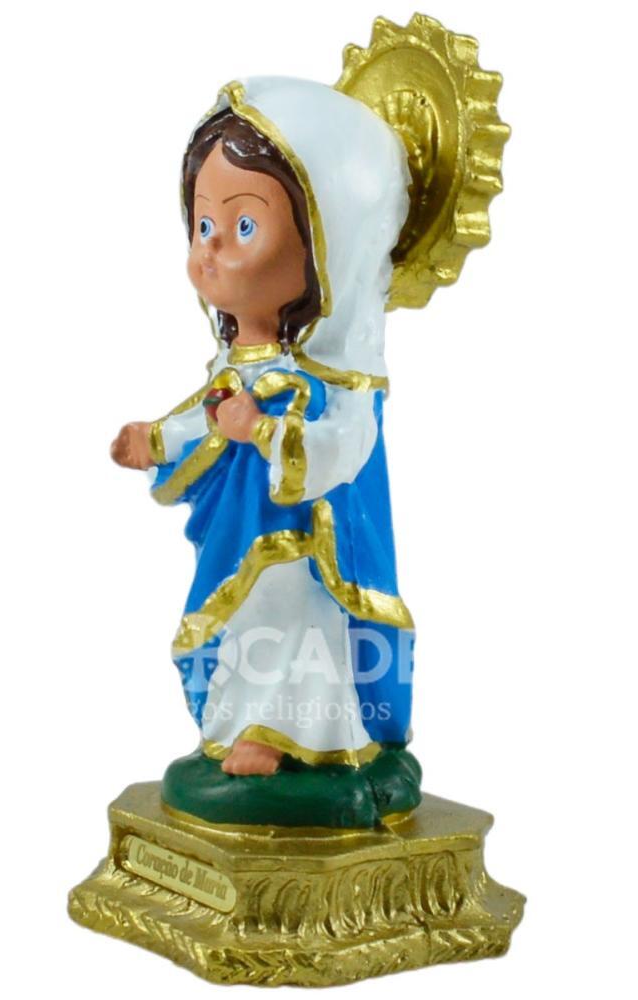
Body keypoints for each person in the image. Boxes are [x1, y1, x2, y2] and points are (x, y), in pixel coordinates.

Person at [111, 78, 415, 777]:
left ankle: (288, 733)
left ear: (329, 245)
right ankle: (238, 723)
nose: (212, 249)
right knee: (237, 621)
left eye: (244, 226)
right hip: (235, 532)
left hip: (305, 543)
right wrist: (154, 440)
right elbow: (203, 418)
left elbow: (345, 449)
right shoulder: (233, 366)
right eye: (203, 226)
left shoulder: (345, 382)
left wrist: (270, 434)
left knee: (291, 618)